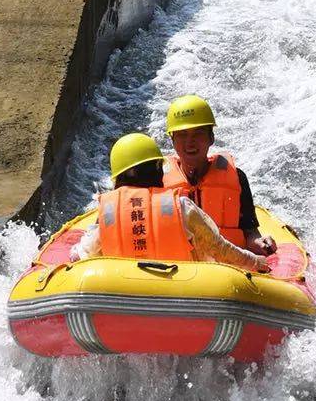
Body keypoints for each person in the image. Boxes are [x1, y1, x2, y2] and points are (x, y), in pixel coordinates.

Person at [71, 134, 270, 272]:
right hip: (188, 290)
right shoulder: (181, 207)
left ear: (117, 179)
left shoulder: (108, 213)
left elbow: (79, 256)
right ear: (158, 171)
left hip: (124, 293)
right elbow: (220, 250)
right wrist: (256, 262)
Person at [163, 95, 276, 258]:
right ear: (172, 140)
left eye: (198, 133)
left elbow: (251, 233)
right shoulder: (157, 181)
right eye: (182, 134)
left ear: (211, 138)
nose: (190, 142)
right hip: (179, 268)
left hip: (229, 266)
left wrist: (259, 242)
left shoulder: (237, 178)